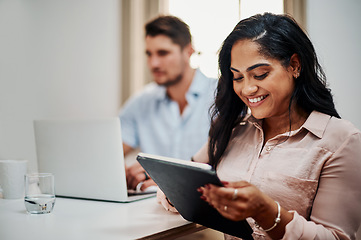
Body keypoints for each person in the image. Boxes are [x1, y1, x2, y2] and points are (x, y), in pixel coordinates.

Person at [157, 13, 361, 239]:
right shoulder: (233, 128)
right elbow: (188, 175)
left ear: (294, 65)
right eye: (238, 77)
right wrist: (171, 189)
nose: (247, 89)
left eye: (260, 75)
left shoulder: (342, 141)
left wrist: (265, 211)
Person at [119, 15, 218, 191]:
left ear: (188, 52)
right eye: (149, 54)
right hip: (151, 207)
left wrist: (167, 180)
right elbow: (108, 154)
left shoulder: (221, 96)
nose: (153, 63)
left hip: (206, 206)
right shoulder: (141, 102)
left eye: (163, 53)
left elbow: (234, 168)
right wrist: (123, 173)